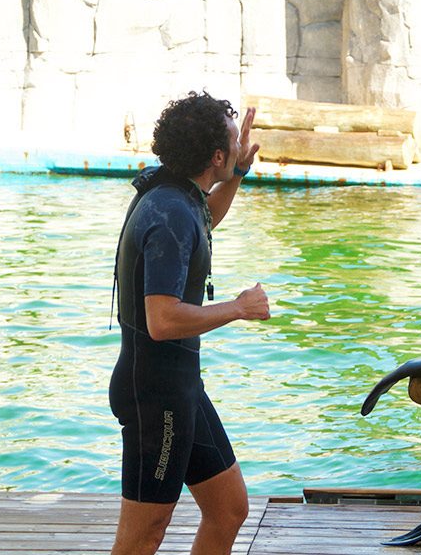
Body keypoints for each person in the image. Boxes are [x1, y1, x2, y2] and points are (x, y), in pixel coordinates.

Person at [109, 91, 270, 555]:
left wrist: (237, 175)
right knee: (145, 534)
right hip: (154, 397)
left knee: (228, 508)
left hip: (179, 389)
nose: (239, 145)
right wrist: (238, 307)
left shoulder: (177, 196)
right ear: (214, 156)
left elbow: (206, 220)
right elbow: (161, 320)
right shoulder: (171, 213)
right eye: (231, 144)